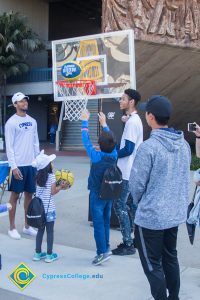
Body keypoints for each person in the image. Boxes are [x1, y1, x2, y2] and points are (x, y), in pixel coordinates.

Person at [129, 95, 191, 300]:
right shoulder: (184, 145)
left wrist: (143, 204)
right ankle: (174, 297)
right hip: (173, 214)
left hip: (151, 217)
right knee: (170, 258)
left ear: (151, 117)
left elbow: (136, 185)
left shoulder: (148, 147)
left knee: (151, 264)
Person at [80, 109, 117, 266]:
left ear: (99, 146)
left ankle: (101, 253)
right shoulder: (114, 154)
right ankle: (106, 248)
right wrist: (104, 125)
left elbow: (86, 141)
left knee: (98, 225)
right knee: (106, 221)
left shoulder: (96, 157)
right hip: (110, 193)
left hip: (97, 194)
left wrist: (84, 121)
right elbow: (110, 141)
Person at [112, 89, 143, 255]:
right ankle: (137, 239)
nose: (120, 100)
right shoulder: (134, 119)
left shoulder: (132, 122)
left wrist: (111, 153)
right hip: (132, 171)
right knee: (131, 206)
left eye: (123, 98)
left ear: (131, 102)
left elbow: (128, 149)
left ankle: (128, 243)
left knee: (120, 206)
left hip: (126, 172)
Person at [5, 92, 40, 239]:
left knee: (29, 196)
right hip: (18, 166)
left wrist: (38, 162)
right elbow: (9, 147)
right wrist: (14, 167)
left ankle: (27, 226)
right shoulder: (11, 123)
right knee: (14, 196)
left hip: (31, 165)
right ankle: (12, 228)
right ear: (15, 104)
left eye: (25, 100)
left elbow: (35, 142)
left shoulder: (33, 121)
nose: (24, 102)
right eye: (21, 101)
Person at [32, 150, 67, 263]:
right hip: (49, 210)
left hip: (39, 210)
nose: (52, 163)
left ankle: (37, 254)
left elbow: (42, 191)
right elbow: (52, 192)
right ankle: (49, 255)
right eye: (51, 162)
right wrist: (60, 187)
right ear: (48, 166)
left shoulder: (37, 176)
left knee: (40, 231)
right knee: (50, 232)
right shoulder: (51, 176)